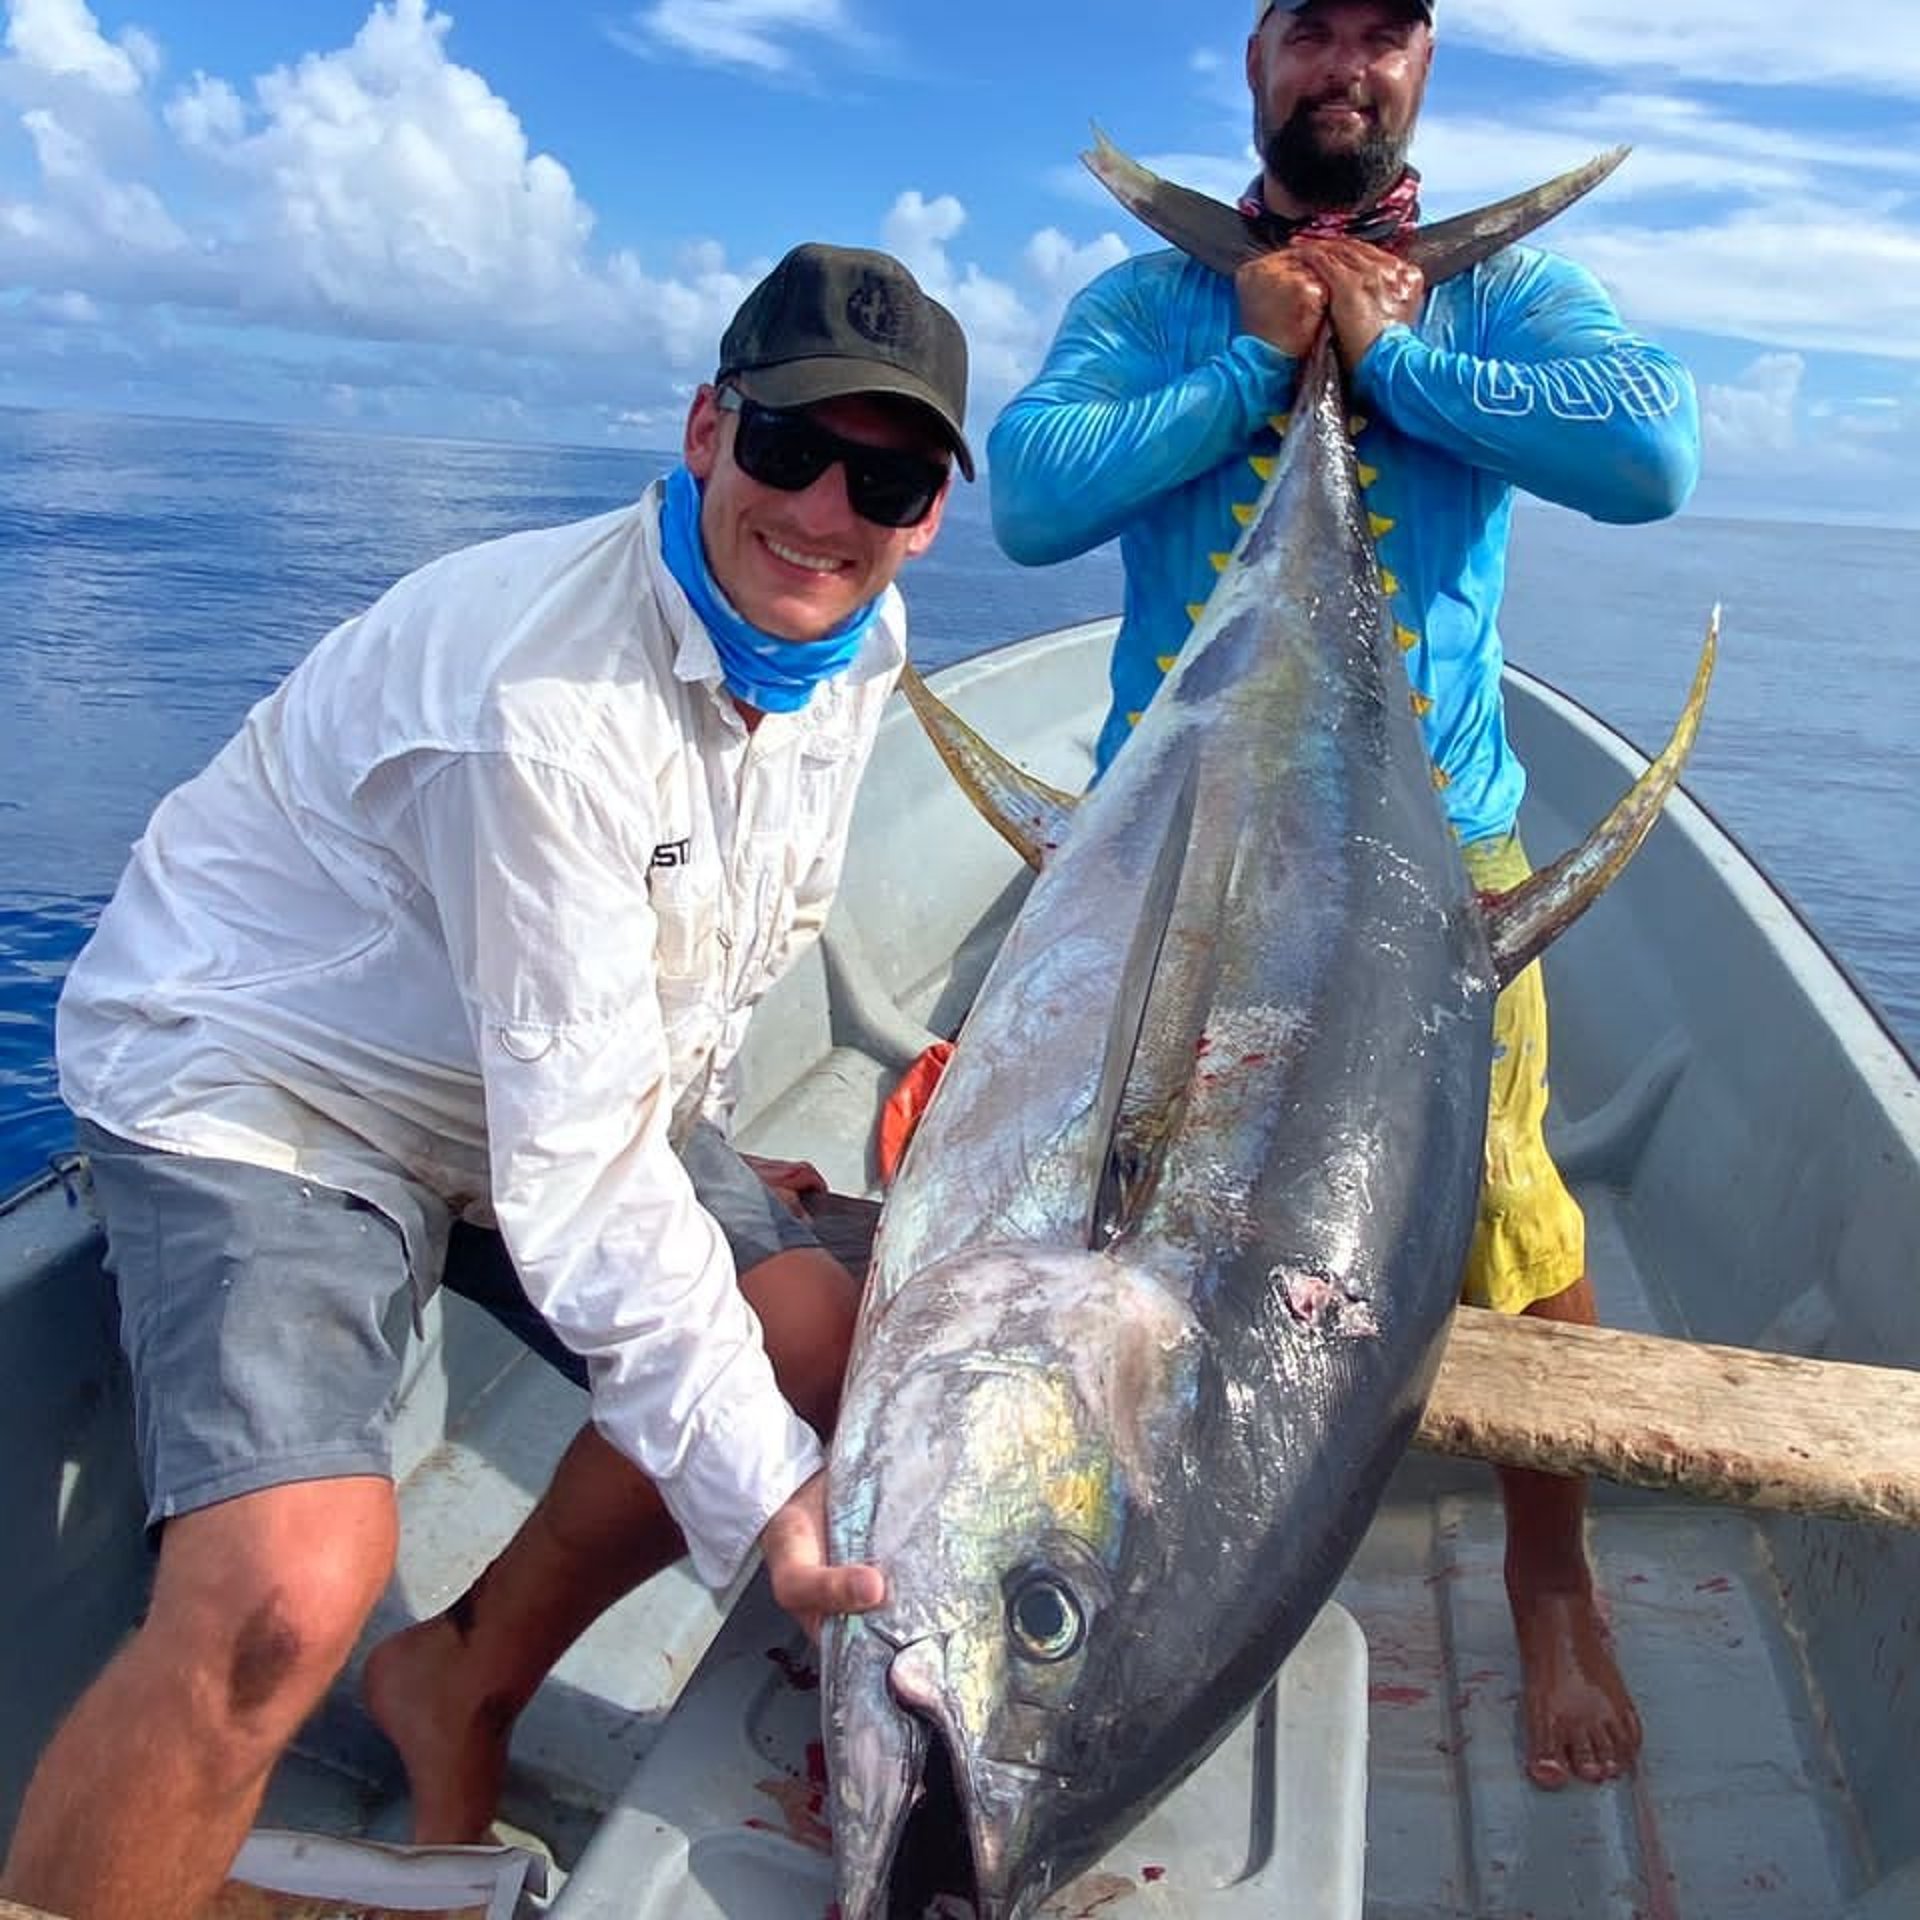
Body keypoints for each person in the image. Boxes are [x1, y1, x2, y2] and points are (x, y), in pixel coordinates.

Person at [0, 241, 973, 1920]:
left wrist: (721, 1146)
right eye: (791, 448)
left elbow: (716, 932)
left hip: (533, 1072)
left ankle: (463, 1678)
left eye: (881, 477)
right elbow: (586, 1188)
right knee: (283, 1597)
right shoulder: (538, 705)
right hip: (275, 1076)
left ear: (928, 516)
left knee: (813, 1335)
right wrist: (779, 1517)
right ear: (701, 429)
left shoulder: (859, 645)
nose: (826, 510)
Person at [989, 0, 1700, 1791]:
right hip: (1163, 852)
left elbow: (1654, 454)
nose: (1346, 67)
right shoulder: (1152, 299)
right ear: (1257, 57)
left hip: (1426, 863)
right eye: (1314, 30)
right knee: (1091, 1202)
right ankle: (1097, 1536)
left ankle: (1554, 1588)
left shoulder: (1506, 298)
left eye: (1385, 36)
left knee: (1512, 1228)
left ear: (1426, 69)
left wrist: (1389, 360)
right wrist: (1247, 362)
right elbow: (1026, 500)